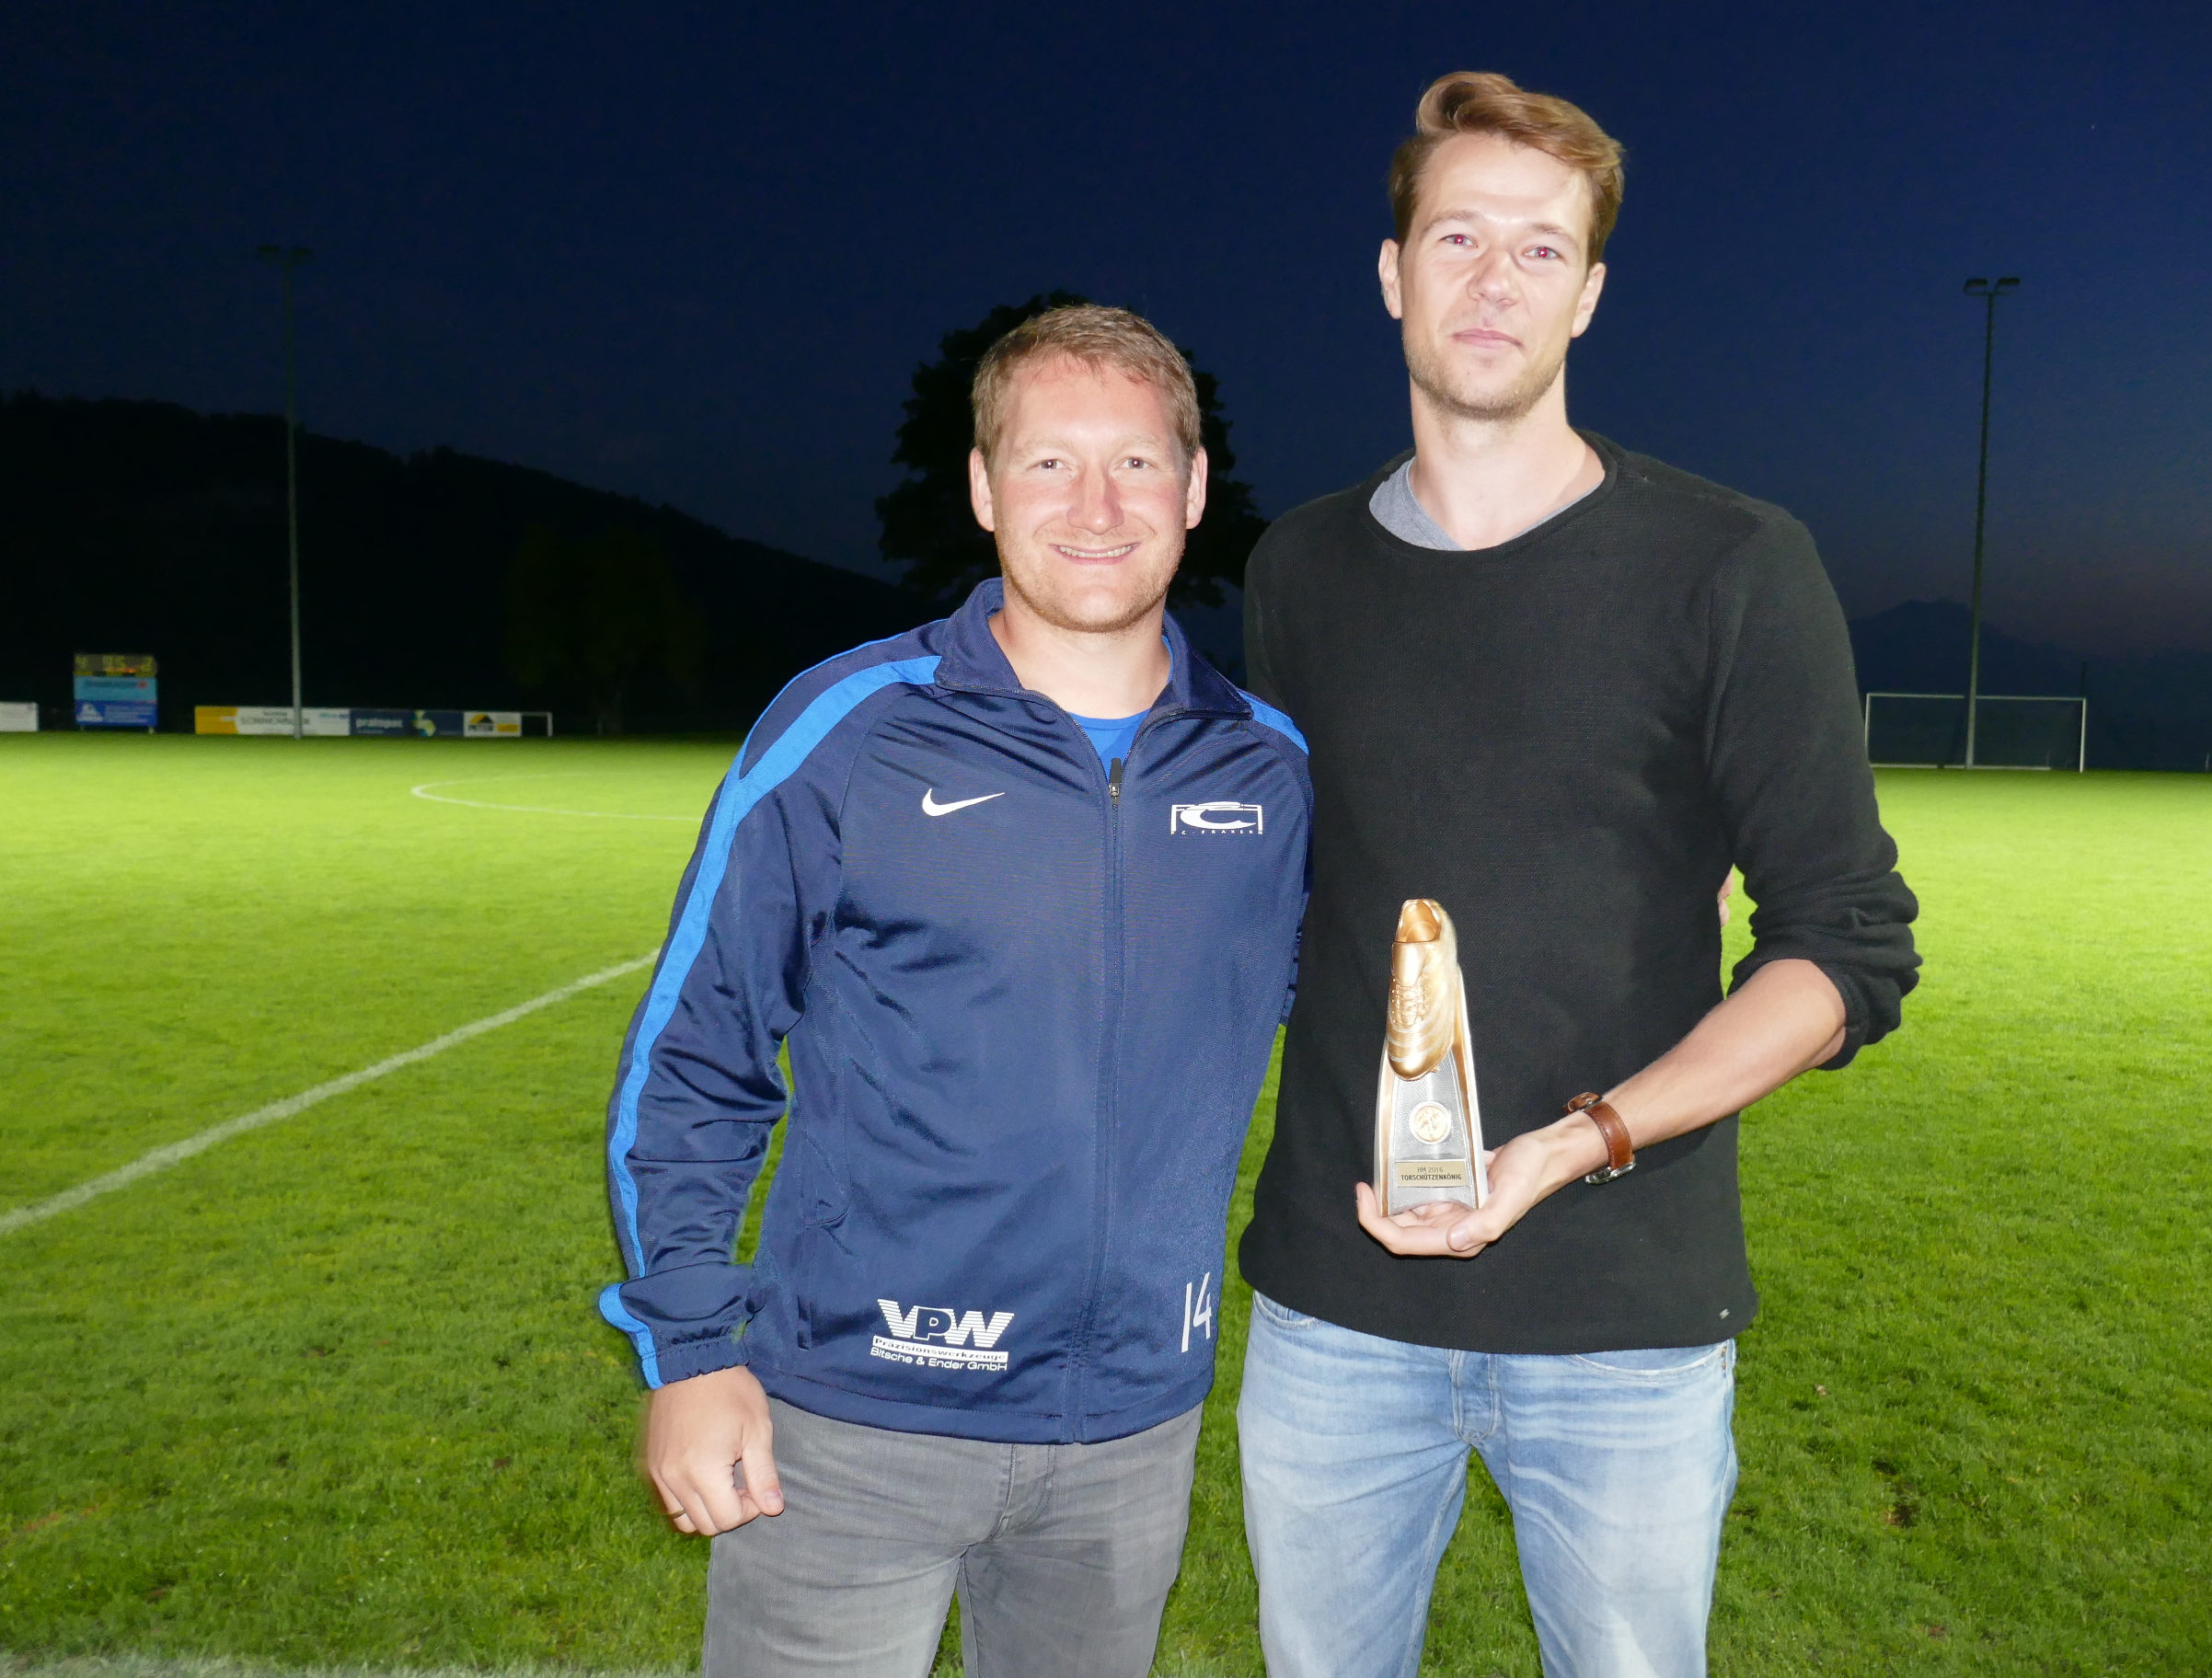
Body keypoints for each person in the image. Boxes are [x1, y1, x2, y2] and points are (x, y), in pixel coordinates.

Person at [1234, 72, 1921, 1677]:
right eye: (1457, 237)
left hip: (1625, 1321)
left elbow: (1844, 950)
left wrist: (1575, 1142)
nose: (1495, 280)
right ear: (1392, 271)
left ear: (1590, 294)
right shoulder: (1299, 571)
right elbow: (1287, 899)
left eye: (1540, 249)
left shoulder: (1730, 565)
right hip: (1337, 1305)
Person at [597, 304, 1311, 1678]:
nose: (1096, 506)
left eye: (1137, 462)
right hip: (847, 1427)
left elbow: (1374, 1021)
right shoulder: (849, 728)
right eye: (1049, 462)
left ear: (1194, 489)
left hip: (1130, 1437)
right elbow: (695, 1053)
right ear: (984, 489)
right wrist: (691, 1352)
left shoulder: (1268, 769)